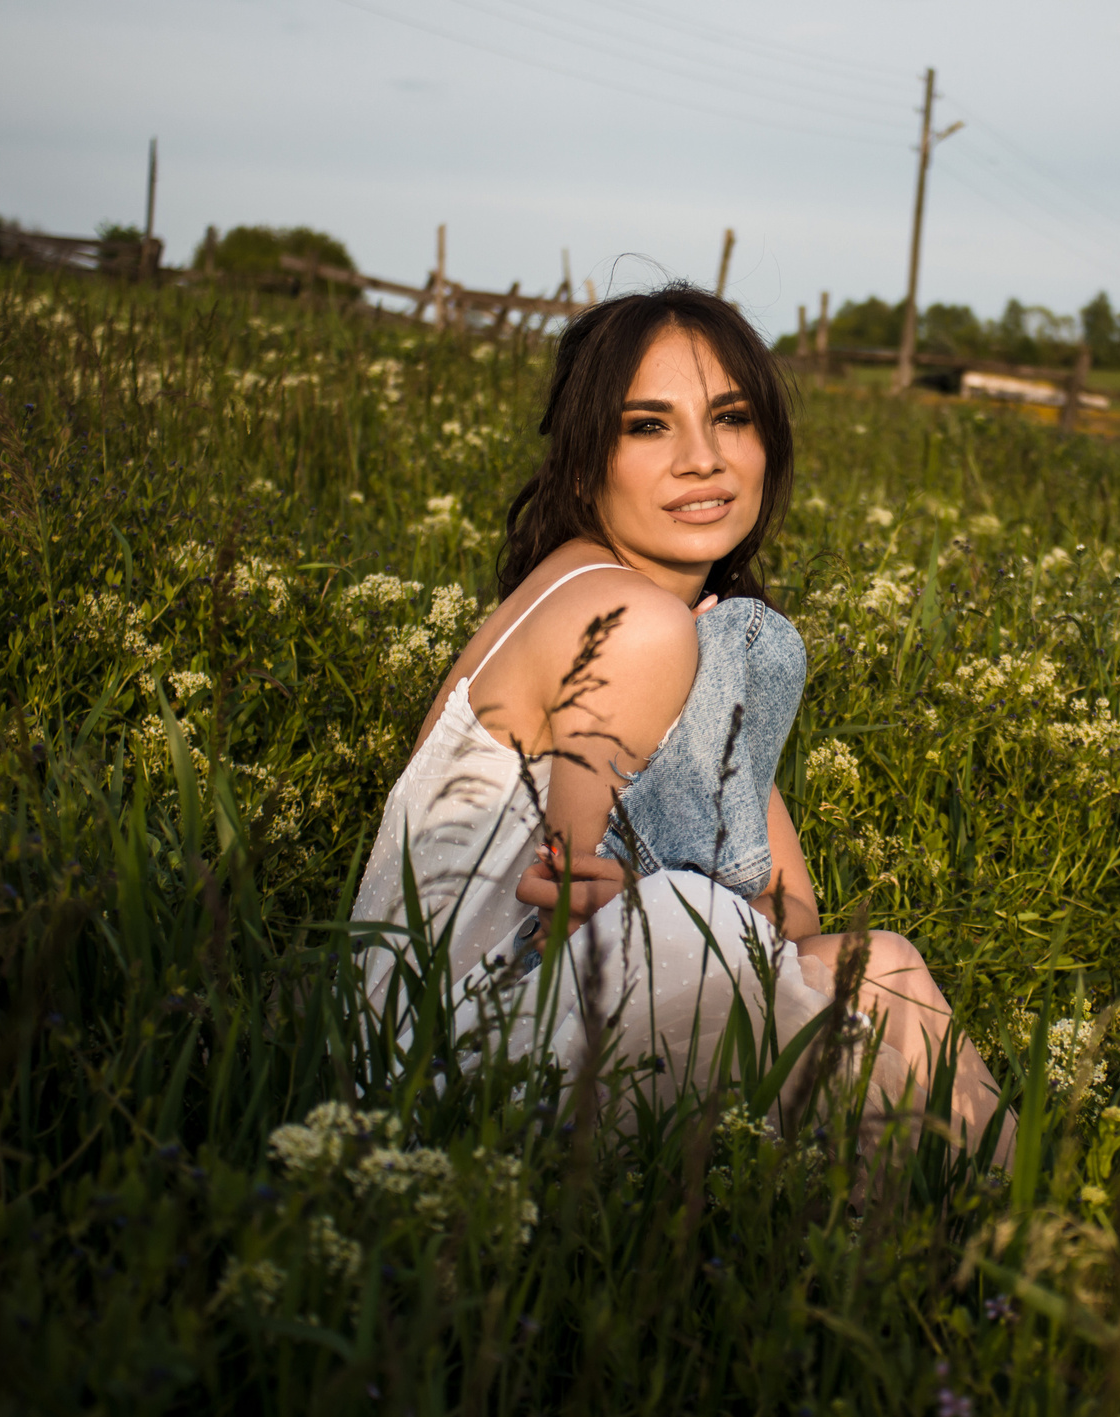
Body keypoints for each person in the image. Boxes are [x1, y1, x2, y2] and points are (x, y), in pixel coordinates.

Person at [349, 284, 1011, 1158]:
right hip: (451, 1056)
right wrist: (659, 902)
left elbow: (788, 902)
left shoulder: (690, 625)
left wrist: (704, 906)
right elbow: (567, 905)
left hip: (458, 1022)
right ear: (586, 462)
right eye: (648, 425)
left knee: (881, 963)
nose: (703, 458)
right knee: (700, 933)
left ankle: (980, 1220)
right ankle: (970, 1241)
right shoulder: (633, 619)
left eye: (730, 418)